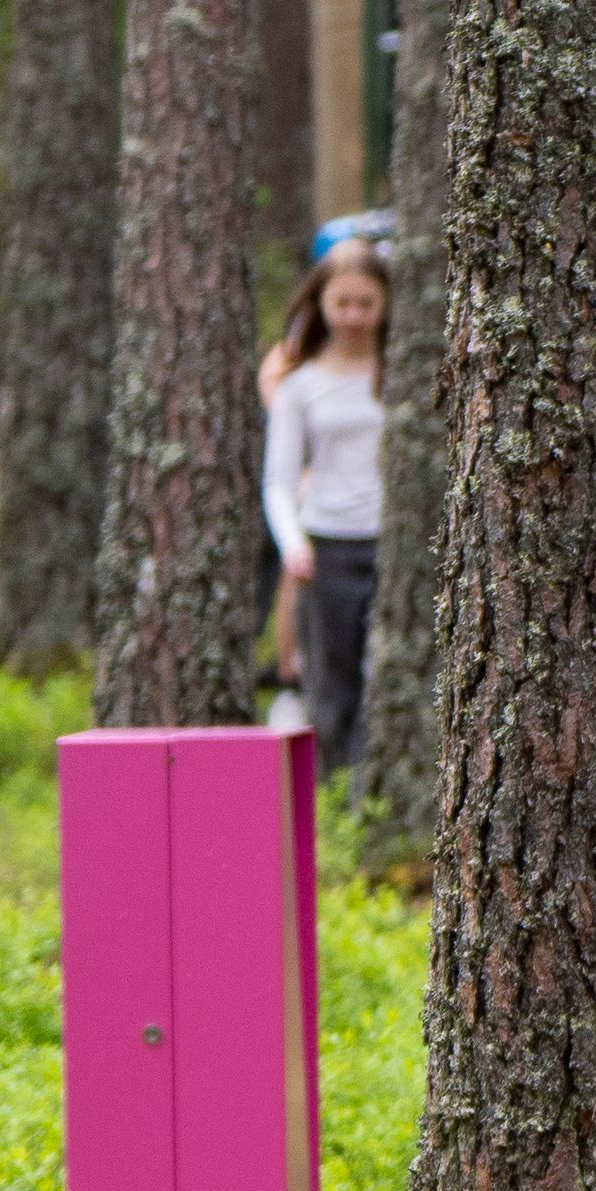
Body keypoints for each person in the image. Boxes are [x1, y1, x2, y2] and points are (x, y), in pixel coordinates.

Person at [259, 243, 393, 789]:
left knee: (386, 676)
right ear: (320, 303)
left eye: (367, 303)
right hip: (326, 548)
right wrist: (293, 543)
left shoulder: (402, 373)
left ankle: (377, 791)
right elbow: (279, 480)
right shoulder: (300, 386)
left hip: (392, 545)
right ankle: (333, 800)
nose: (355, 316)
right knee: (331, 683)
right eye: (342, 303)